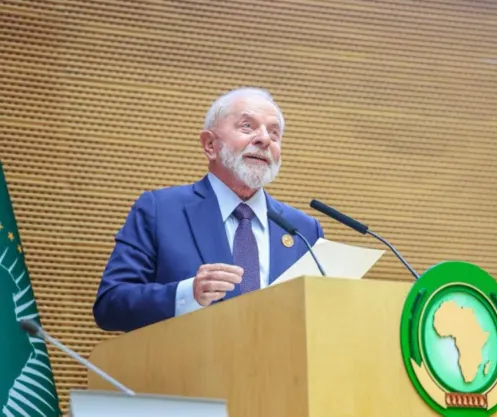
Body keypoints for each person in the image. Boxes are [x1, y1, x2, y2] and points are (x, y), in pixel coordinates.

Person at [93, 87, 324, 332]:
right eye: (247, 126)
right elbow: (111, 304)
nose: (264, 139)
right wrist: (187, 294)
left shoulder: (304, 230)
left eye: (274, 133)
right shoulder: (160, 211)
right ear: (210, 145)